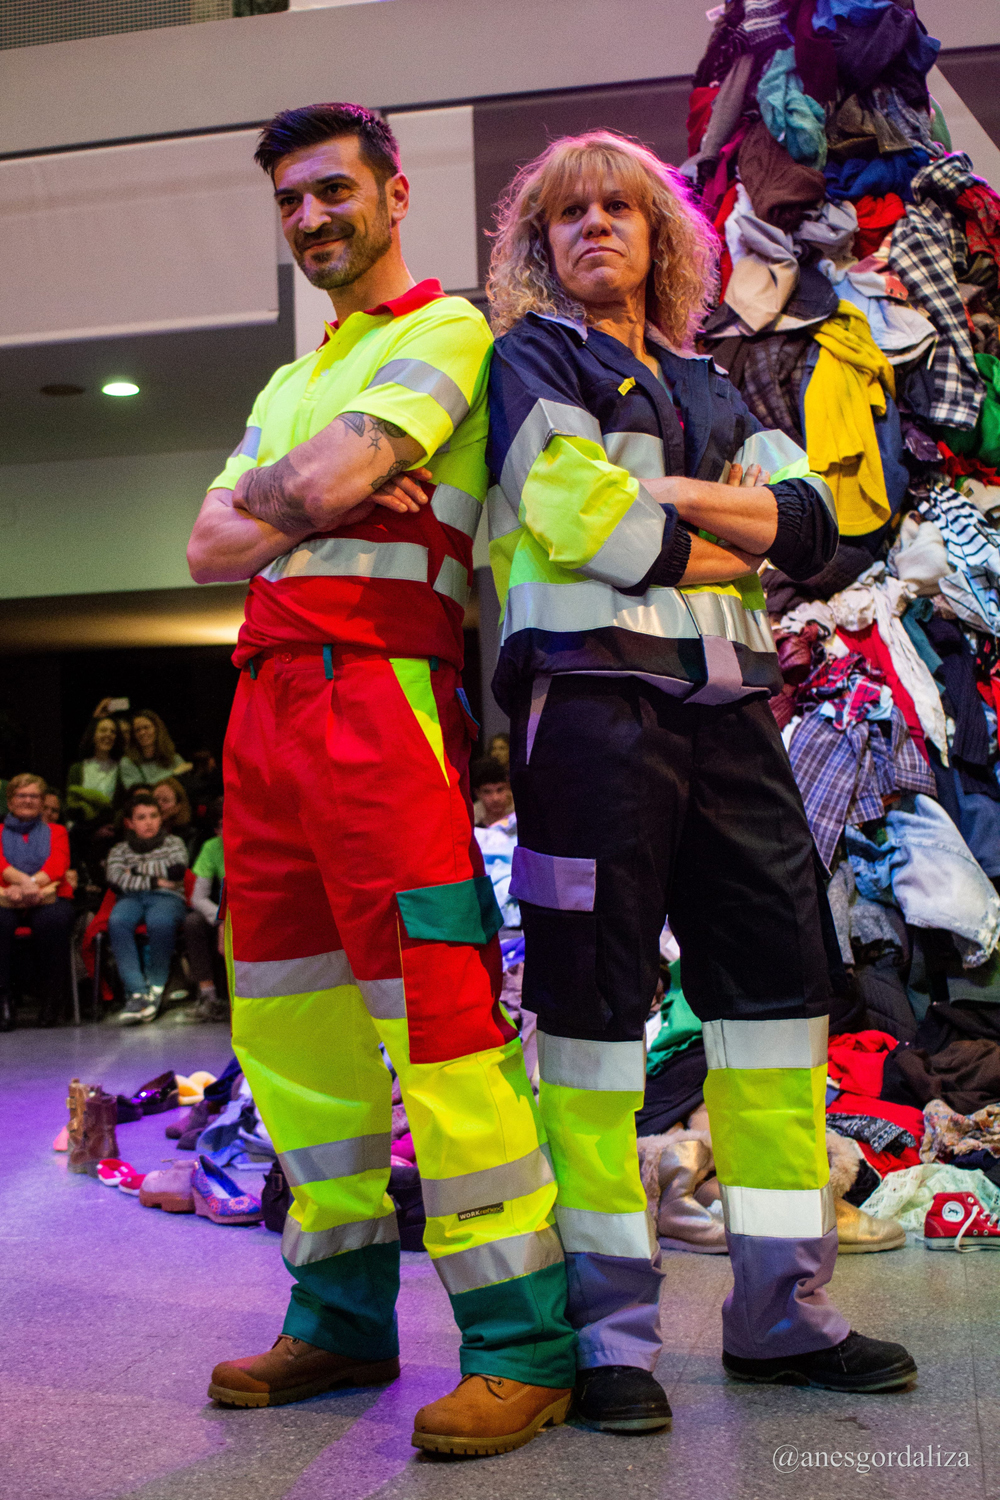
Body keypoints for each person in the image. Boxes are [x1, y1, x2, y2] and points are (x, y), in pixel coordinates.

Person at [484, 128, 916, 1425]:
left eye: (621, 205)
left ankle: (783, 1315)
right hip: (588, 718)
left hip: (733, 723)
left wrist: (666, 494)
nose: (596, 226)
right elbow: (581, 522)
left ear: (664, 232)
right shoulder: (527, 360)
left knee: (779, 1015)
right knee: (593, 1028)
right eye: (569, 213)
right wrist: (720, 520)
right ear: (540, 242)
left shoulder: (719, 382)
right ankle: (612, 1340)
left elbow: (820, 532)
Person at [186, 101, 575, 1455]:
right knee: (291, 1039)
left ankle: (524, 1341)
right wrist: (325, 490)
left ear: (394, 193)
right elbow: (204, 543)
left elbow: (306, 489)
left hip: (384, 699)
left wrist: (309, 493)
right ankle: (339, 1319)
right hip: (262, 716)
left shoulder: (445, 331)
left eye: (331, 190)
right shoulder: (291, 380)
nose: (309, 218)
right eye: (288, 200)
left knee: (444, 1020)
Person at [106, 789, 189, 1024]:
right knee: (118, 921)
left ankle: (156, 987)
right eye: (141, 817)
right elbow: (114, 879)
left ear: (161, 818)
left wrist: (133, 871)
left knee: (159, 922)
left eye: (153, 815)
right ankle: (137, 993)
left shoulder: (174, 843)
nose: (149, 822)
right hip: (130, 898)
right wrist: (155, 878)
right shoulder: (119, 850)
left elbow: (176, 872)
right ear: (130, 823)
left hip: (167, 897)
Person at [0, 773, 76, 1030]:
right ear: (10, 802)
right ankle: (4, 1003)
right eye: (22, 795)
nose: (28, 800)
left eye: (34, 796)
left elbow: (57, 864)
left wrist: (31, 886)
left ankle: (52, 1001)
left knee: (52, 921)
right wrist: (23, 883)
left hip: (50, 895)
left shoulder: (57, 831)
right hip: (6, 897)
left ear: (42, 802)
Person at [181, 797, 228, 1023]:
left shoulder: (256, 844)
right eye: (221, 826)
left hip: (252, 912)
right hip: (226, 912)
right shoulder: (212, 848)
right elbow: (197, 897)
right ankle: (208, 997)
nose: (226, 831)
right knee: (193, 922)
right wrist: (222, 920)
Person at [66, 713, 128, 820]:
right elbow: (71, 803)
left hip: (112, 830)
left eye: (112, 732)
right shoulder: (77, 769)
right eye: (103, 730)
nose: (108, 734)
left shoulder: (122, 769)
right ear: (93, 735)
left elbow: (121, 807)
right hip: (83, 829)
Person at [121, 710, 192, 788]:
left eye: (146, 727)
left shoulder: (174, 758)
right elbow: (138, 791)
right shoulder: (127, 762)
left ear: (157, 729)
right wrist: (174, 774)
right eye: (137, 730)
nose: (142, 733)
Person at [152, 777, 199, 861]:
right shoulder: (143, 831)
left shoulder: (189, 835)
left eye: (165, 801)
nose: (159, 804)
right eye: (155, 799)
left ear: (178, 806)